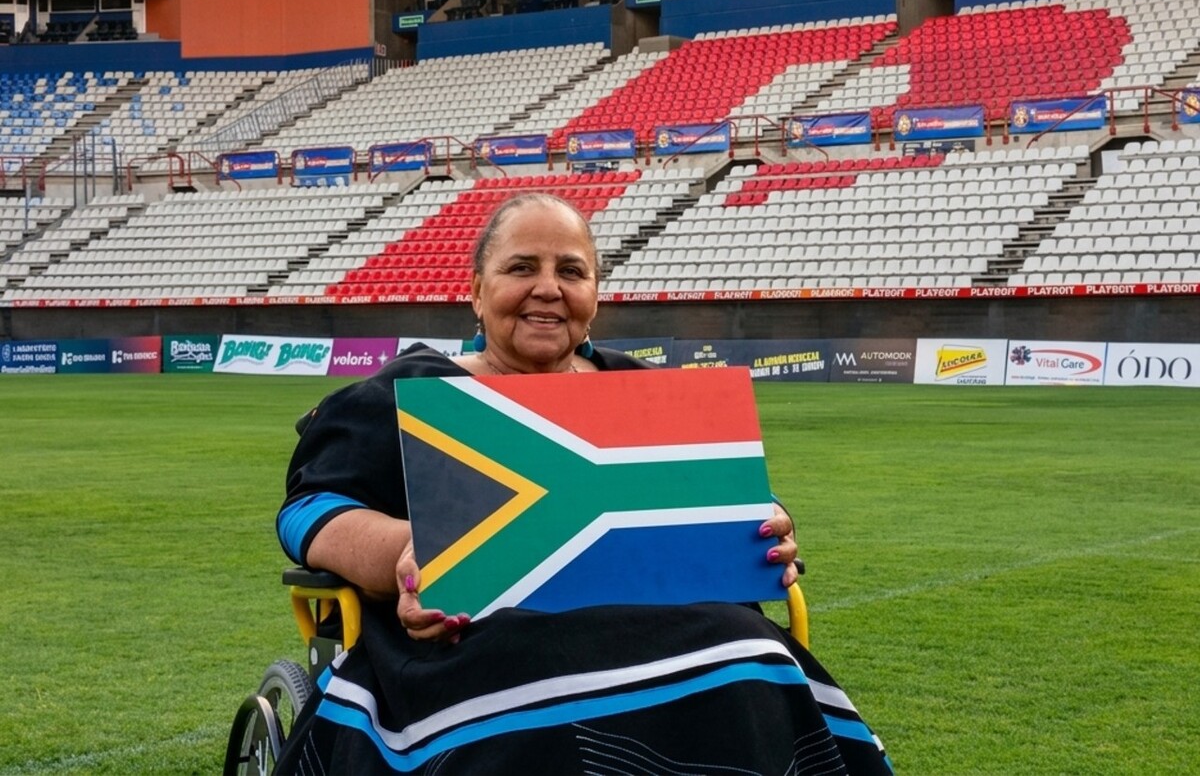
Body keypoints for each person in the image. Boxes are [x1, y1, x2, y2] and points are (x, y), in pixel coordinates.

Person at [274, 193, 892, 774]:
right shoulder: (408, 391)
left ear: (595, 295)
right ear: (477, 292)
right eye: (522, 267)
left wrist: (766, 521)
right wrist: (406, 555)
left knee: (750, 658)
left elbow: (713, 503)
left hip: (681, 626)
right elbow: (310, 512)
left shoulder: (644, 392)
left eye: (572, 271)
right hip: (476, 640)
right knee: (526, 705)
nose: (548, 288)